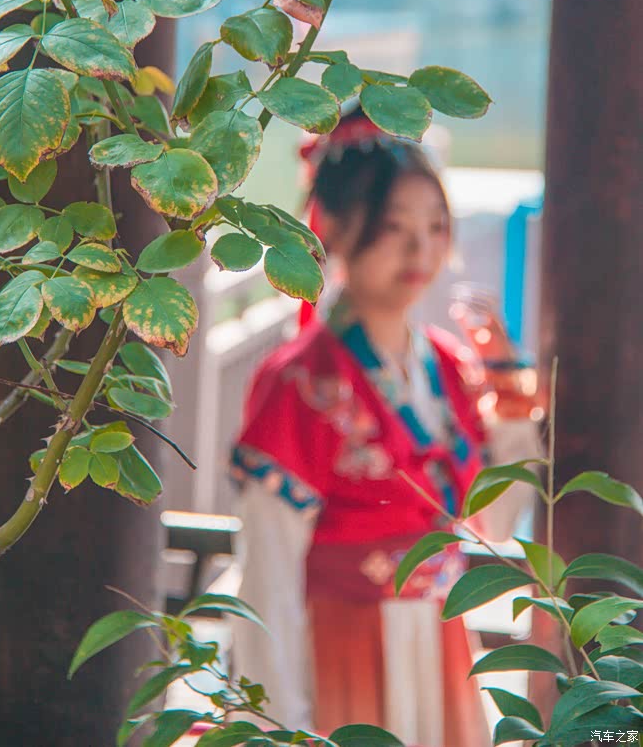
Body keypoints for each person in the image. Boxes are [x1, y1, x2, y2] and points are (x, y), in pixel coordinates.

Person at [229, 110, 544, 747]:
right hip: (336, 644)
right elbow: (268, 574)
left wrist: (507, 386)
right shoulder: (299, 382)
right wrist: (277, 724)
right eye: (394, 226)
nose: (420, 249)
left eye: (435, 226)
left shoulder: (451, 367)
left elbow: (496, 521)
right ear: (335, 225)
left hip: (442, 641)